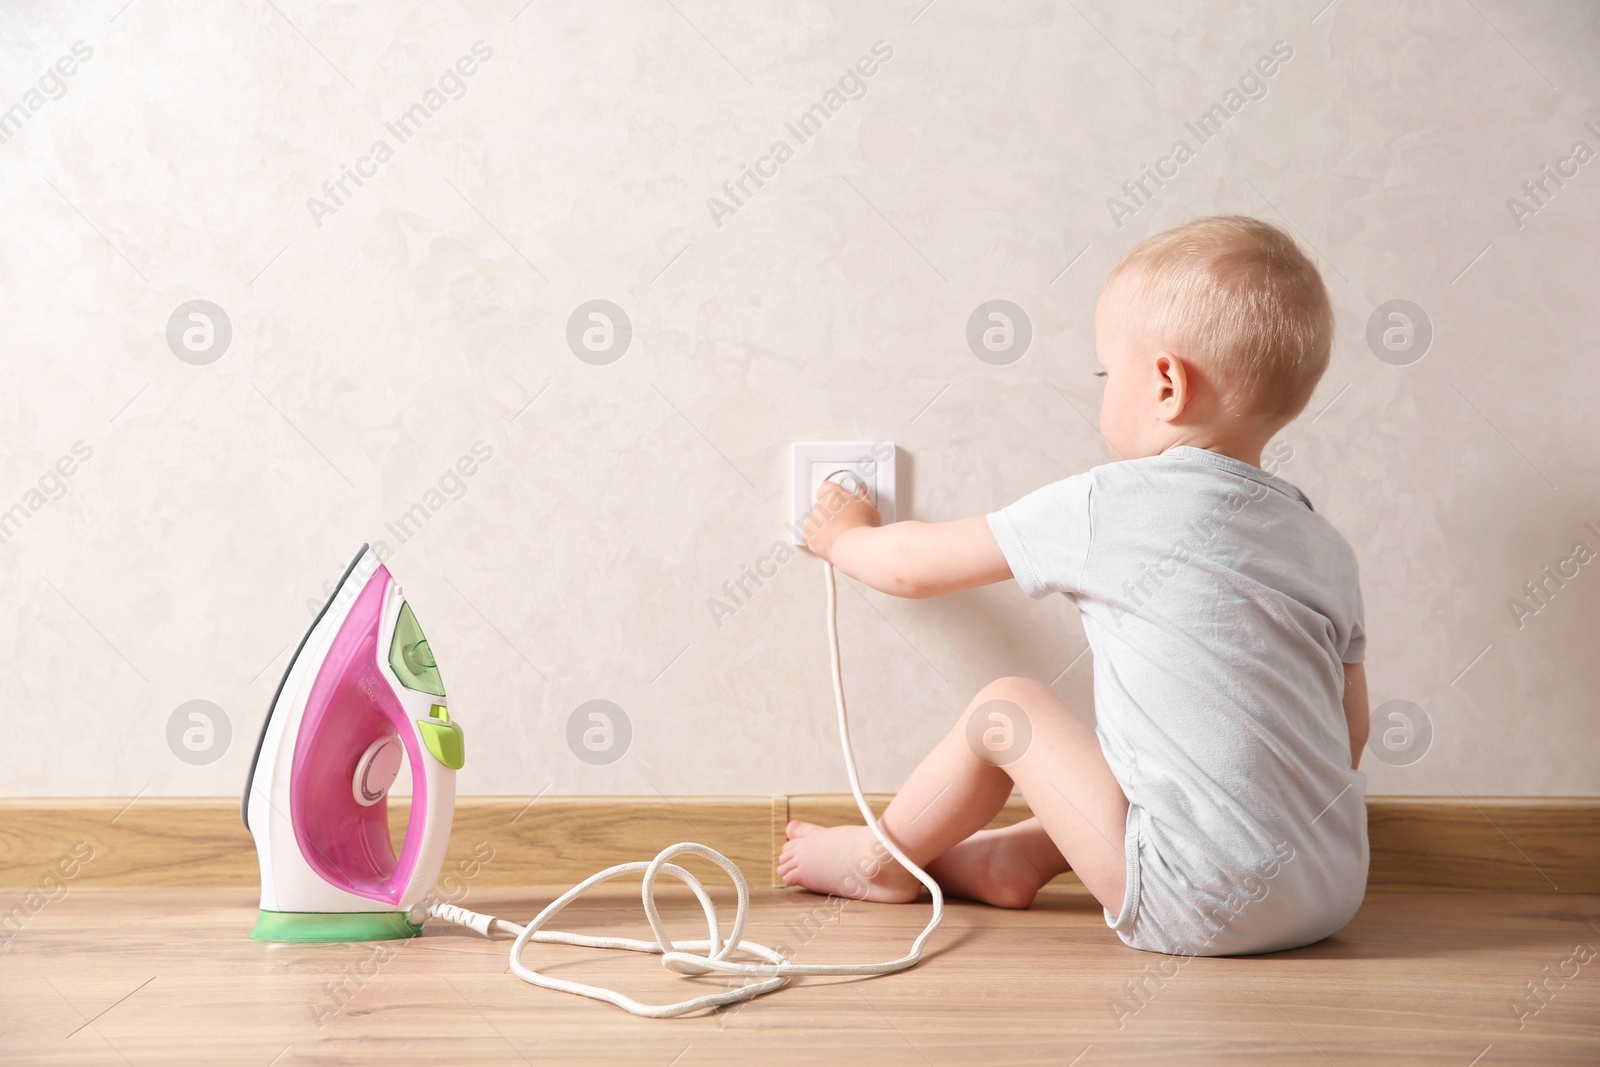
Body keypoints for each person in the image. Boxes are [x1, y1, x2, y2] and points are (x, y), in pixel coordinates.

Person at [781, 215, 1370, 956]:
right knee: (1168, 760)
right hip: (1331, 888)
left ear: (1165, 384)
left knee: (1007, 709)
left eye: (1104, 373)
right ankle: (1012, 856)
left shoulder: (1110, 504)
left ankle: (879, 863)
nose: (1100, 389)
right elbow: (1347, 736)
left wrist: (844, 536)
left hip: (1200, 904)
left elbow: (912, 567)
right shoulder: (1325, 546)